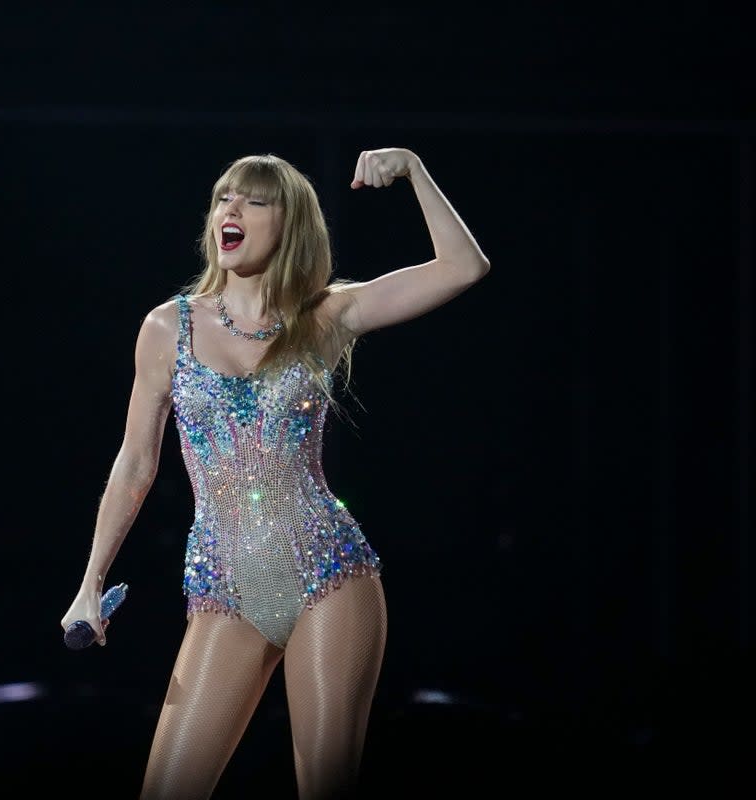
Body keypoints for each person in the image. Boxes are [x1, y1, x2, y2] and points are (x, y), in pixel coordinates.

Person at [60, 148, 491, 799]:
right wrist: (89, 582)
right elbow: (136, 463)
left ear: (289, 225)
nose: (232, 208)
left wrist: (413, 169)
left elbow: (464, 267)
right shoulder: (166, 328)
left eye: (255, 200)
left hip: (327, 572)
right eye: (225, 198)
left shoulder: (324, 315)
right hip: (226, 585)